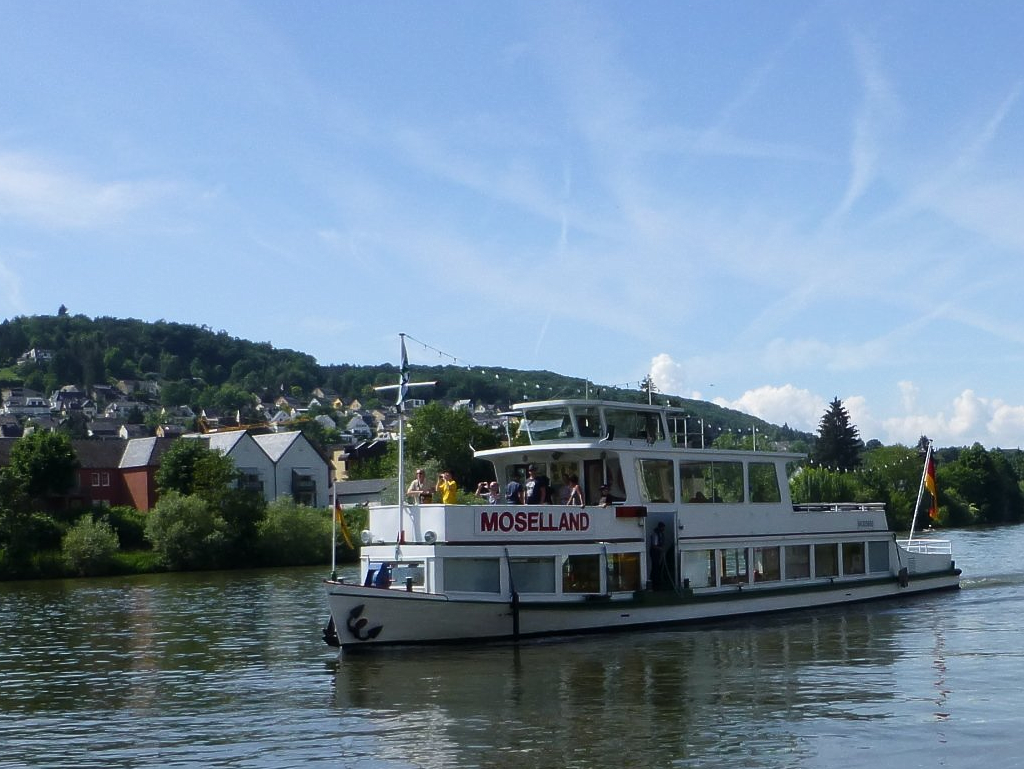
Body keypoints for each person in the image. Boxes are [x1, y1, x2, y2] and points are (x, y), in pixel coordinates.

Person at [649, 521, 668, 588]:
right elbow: (654, 545)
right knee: (655, 567)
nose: (663, 529)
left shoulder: (661, 534)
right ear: (660, 527)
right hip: (655, 553)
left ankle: (658, 581)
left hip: (658, 553)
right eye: (663, 528)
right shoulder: (655, 534)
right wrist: (661, 549)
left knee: (658, 567)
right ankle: (654, 582)